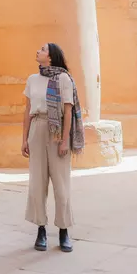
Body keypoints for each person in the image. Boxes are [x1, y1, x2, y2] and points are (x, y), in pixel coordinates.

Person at [21, 42, 84, 252]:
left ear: (51, 56)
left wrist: (65, 140)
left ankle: (64, 230)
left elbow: (68, 111)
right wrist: (24, 139)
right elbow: (28, 111)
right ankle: (41, 229)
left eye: (42, 49)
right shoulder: (32, 79)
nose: (38, 51)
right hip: (37, 129)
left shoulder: (64, 79)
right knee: (37, 183)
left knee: (61, 185)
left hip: (57, 133)